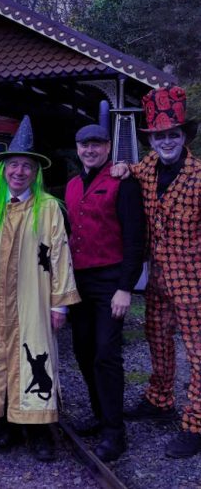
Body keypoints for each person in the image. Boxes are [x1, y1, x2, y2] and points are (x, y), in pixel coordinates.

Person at [0, 116, 79, 461]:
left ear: (35, 172)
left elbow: (60, 255)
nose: (19, 172)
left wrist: (60, 305)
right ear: (4, 169)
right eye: (14, 166)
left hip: (34, 300)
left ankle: (39, 431)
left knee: (34, 358)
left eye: (26, 167)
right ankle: (8, 428)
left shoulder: (48, 209)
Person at [115, 87, 201, 459]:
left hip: (196, 283)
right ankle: (159, 399)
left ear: (184, 137)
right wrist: (119, 168)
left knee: (198, 355)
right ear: (151, 139)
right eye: (159, 136)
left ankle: (196, 424)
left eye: (173, 134)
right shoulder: (146, 169)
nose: (166, 141)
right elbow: (127, 171)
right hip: (159, 282)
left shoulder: (199, 177)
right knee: (157, 341)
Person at [65, 124, 145, 461]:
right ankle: (100, 415)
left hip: (110, 281)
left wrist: (125, 287)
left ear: (108, 146)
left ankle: (116, 432)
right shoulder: (69, 185)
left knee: (105, 354)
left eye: (96, 145)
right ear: (78, 148)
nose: (90, 150)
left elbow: (134, 239)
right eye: (84, 145)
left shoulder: (122, 183)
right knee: (83, 351)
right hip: (78, 282)